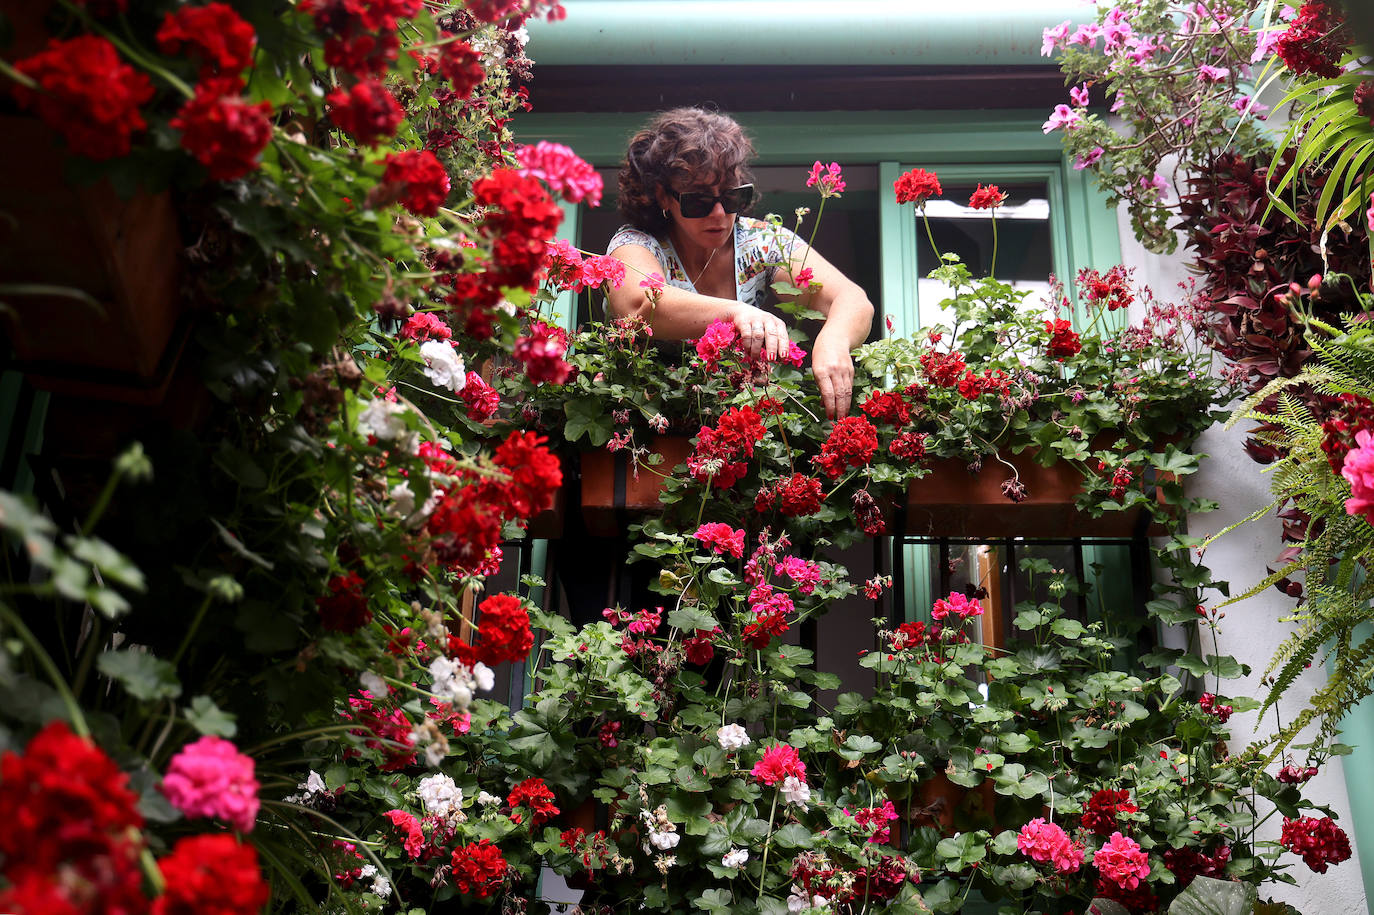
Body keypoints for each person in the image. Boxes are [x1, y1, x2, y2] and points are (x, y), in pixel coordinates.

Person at [604, 107, 875, 420]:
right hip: (644, 429)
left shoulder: (761, 241)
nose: (719, 214)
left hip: (735, 428)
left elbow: (853, 300)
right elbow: (638, 307)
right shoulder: (637, 243)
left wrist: (834, 342)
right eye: (699, 201)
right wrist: (738, 312)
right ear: (663, 196)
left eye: (732, 197)